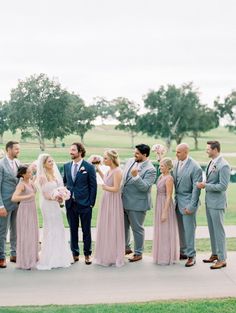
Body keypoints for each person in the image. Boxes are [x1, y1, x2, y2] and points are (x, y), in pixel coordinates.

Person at [197, 141, 230, 269]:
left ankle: (222, 259)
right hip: (209, 202)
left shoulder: (224, 165)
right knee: (212, 230)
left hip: (217, 203)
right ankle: (215, 254)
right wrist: (205, 182)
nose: (207, 151)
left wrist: (205, 185)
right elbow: (211, 180)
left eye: (208, 149)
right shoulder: (212, 162)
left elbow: (223, 186)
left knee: (219, 231)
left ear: (215, 150)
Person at [36, 154, 73, 270]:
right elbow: (45, 194)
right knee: (51, 228)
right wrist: (55, 197)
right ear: (44, 164)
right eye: (49, 162)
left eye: (52, 161)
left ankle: (60, 256)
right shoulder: (42, 177)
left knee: (58, 227)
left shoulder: (55, 175)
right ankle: (50, 257)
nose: (52, 163)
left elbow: (60, 188)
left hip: (55, 205)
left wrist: (62, 195)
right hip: (47, 205)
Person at [63, 143, 97, 265]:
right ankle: (75, 254)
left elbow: (93, 186)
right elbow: (65, 183)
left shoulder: (88, 167)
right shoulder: (66, 166)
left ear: (80, 151)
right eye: (70, 149)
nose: (70, 152)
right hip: (70, 204)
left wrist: (91, 203)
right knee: (73, 229)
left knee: (86, 230)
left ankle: (87, 254)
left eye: (73, 150)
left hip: (85, 204)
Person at [122, 144, 156, 262]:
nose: (134, 155)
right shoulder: (131, 161)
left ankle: (138, 253)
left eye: (137, 153)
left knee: (137, 228)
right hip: (124, 200)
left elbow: (145, 187)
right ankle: (126, 248)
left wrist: (136, 177)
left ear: (145, 155)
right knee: (124, 227)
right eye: (134, 152)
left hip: (137, 204)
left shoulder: (151, 169)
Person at [173, 143, 202, 267]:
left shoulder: (196, 167)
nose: (176, 154)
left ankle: (191, 256)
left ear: (186, 152)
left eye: (179, 152)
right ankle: (183, 252)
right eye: (176, 151)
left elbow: (196, 190)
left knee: (189, 230)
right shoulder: (176, 163)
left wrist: (192, 206)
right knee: (180, 229)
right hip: (177, 202)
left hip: (188, 203)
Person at [95, 149, 125, 267]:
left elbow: (116, 188)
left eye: (106, 158)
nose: (103, 160)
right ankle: (107, 253)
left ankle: (114, 255)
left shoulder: (117, 171)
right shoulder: (109, 170)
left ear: (112, 159)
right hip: (107, 200)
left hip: (113, 201)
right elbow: (107, 179)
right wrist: (98, 170)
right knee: (106, 225)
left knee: (112, 226)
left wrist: (105, 187)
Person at [153, 158, 179, 265]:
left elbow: (169, 196)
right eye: (160, 166)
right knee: (160, 230)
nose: (160, 168)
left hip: (165, 204)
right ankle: (160, 255)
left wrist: (164, 211)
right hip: (159, 202)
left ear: (168, 167)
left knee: (165, 231)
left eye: (162, 166)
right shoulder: (161, 176)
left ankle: (166, 256)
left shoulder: (169, 179)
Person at [11, 165, 39, 270]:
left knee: (32, 234)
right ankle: (25, 261)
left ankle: (32, 258)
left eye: (31, 172)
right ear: (23, 174)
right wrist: (27, 196)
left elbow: (35, 190)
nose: (30, 173)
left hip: (32, 209)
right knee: (26, 235)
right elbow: (14, 198)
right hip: (25, 210)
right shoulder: (21, 185)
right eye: (28, 172)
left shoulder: (30, 182)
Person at [0, 141, 20, 269]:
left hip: (17, 203)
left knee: (15, 230)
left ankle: (14, 254)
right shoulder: (1, 164)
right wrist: (0, 206)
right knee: (2, 231)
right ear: (9, 150)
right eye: (16, 149)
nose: (18, 151)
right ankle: (1, 257)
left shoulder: (18, 163)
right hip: (5, 204)